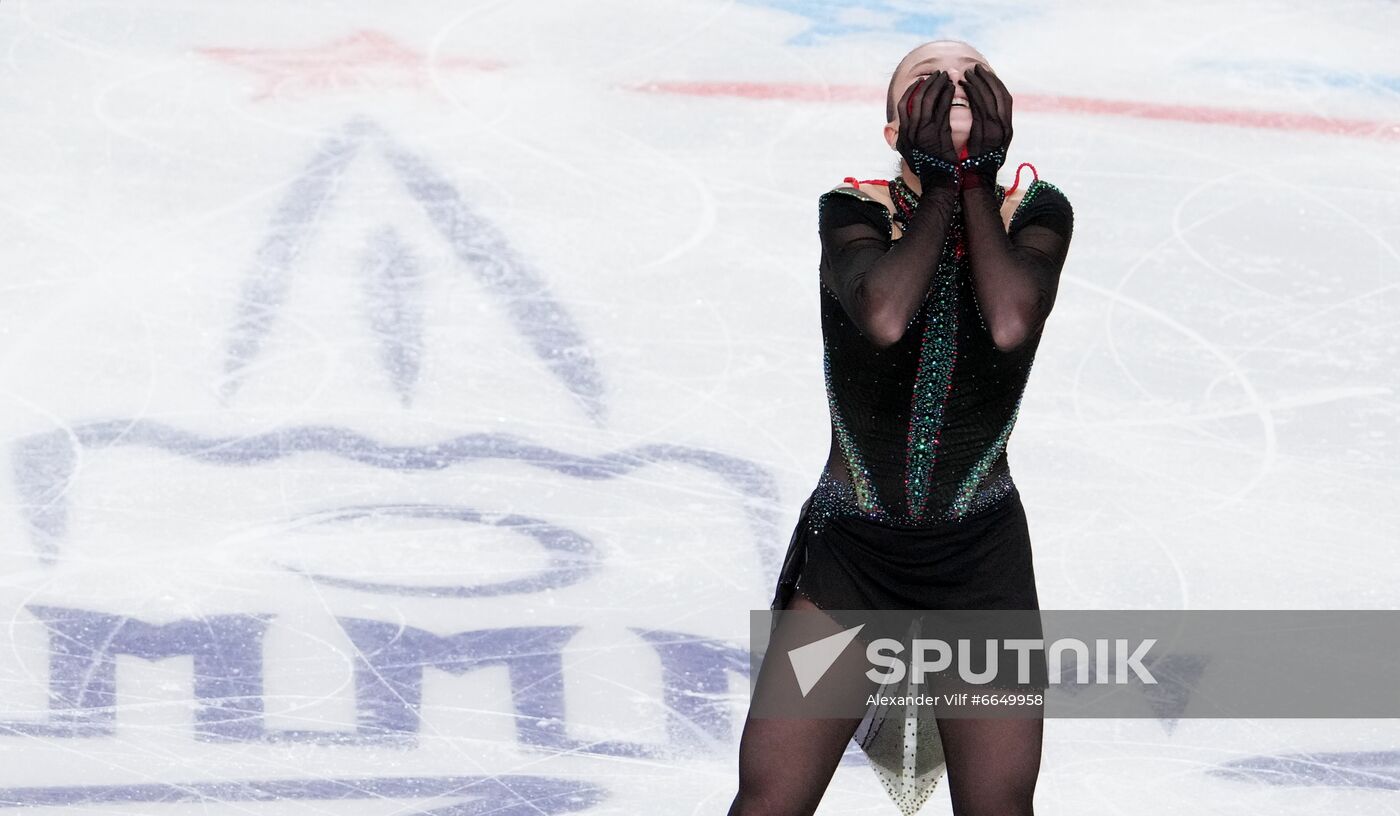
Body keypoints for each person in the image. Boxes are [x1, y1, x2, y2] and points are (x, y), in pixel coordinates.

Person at [728, 39, 1074, 816]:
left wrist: (971, 182)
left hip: (978, 561)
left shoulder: (1035, 210)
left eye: (971, 77)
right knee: (769, 799)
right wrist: (947, 186)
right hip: (854, 555)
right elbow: (883, 315)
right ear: (894, 132)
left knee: (1000, 806)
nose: (953, 84)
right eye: (928, 80)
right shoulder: (853, 210)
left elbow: (1013, 317)